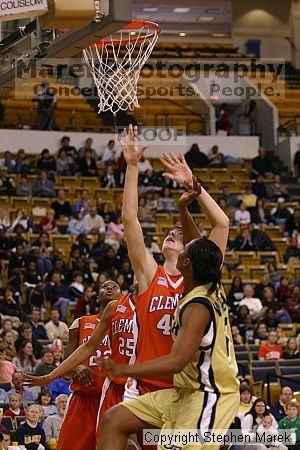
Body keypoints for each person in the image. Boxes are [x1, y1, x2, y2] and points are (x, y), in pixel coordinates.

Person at [95, 213, 239, 449]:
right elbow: (200, 245)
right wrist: (184, 206)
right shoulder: (196, 290)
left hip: (208, 392)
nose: (174, 239)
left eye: (185, 249)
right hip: (182, 390)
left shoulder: (198, 305)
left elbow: (176, 361)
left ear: (187, 263)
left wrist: (125, 369)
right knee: (114, 419)